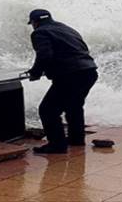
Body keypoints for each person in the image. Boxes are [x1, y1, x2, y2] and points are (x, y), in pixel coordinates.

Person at [25, 9, 98, 154]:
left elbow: (44, 55)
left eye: (32, 23)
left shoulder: (39, 32)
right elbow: (80, 49)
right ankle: (76, 139)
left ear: (35, 22)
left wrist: (35, 73)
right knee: (74, 106)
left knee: (48, 110)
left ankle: (57, 145)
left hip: (71, 75)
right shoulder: (66, 28)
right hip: (89, 71)